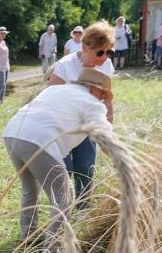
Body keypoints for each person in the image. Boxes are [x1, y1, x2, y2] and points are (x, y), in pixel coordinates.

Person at [3, 68, 114, 253]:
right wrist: (123, 161)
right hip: (39, 141)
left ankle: (26, 237)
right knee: (65, 198)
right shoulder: (92, 103)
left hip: (13, 133)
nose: (103, 99)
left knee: (30, 189)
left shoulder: (55, 90)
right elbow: (105, 138)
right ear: (95, 90)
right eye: (103, 94)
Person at [48, 21, 115, 213]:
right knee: (64, 171)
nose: (104, 57)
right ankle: (62, 213)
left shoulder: (106, 65)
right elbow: (50, 99)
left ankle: (83, 212)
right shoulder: (65, 66)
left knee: (86, 169)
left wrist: (108, 131)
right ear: (85, 47)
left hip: (87, 128)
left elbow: (107, 99)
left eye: (108, 52)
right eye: (100, 52)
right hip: (63, 129)